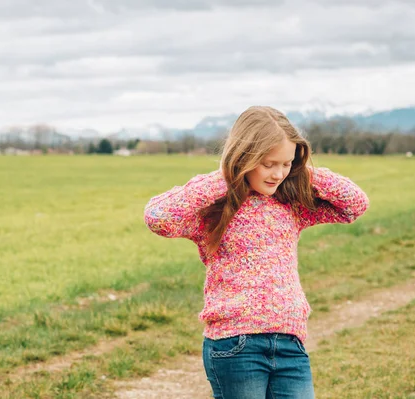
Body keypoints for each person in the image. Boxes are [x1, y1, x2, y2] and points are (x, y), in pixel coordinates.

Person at [143, 105, 369, 399]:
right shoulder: (215, 209)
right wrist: (225, 177)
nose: (278, 174)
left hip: (290, 343)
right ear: (244, 159)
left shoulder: (291, 206)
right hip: (235, 345)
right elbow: (159, 217)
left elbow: (354, 205)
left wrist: (302, 173)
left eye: (286, 163)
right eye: (268, 163)